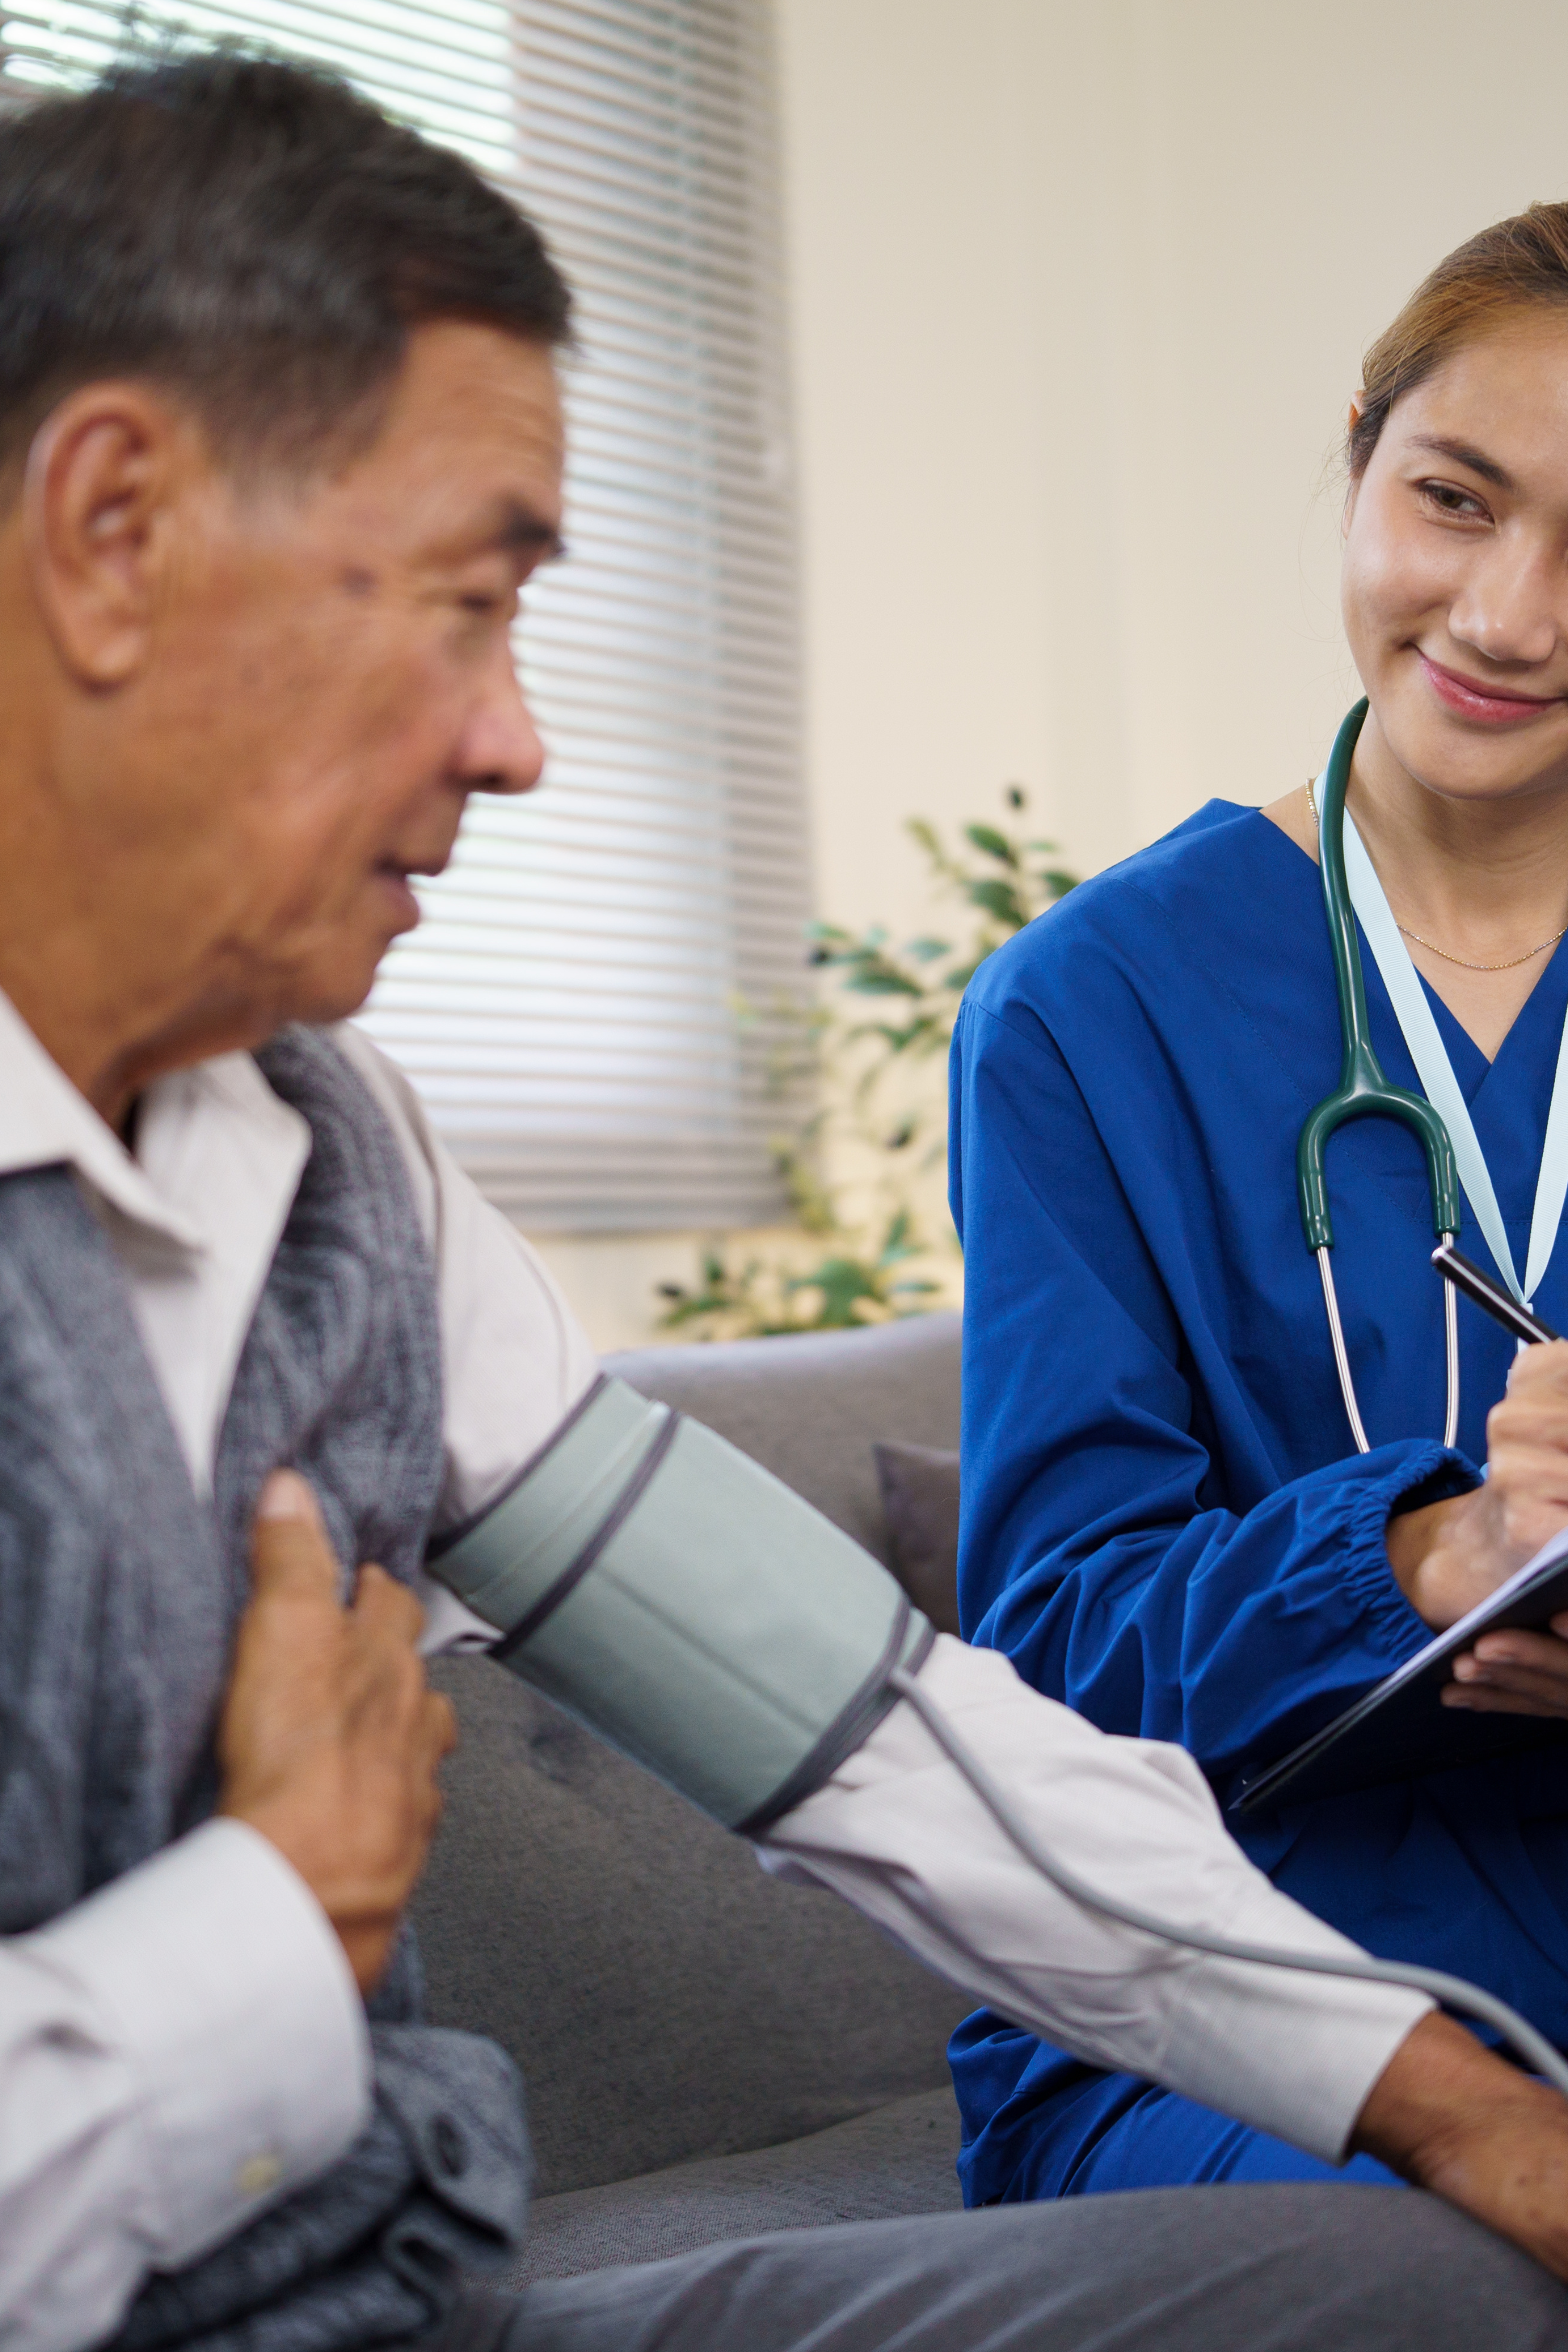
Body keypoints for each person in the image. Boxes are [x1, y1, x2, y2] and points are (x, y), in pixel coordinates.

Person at [3, 52, 1568, 2352]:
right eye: (465, 601)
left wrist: (1474, 2121)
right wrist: (270, 1929)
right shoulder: (1109, 1002)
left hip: (391, 2293)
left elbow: (875, 1734)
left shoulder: (341, 1165)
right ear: (113, 527)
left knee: (1414, 2292)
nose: (522, 739)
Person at [948, 200, 1568, 2212]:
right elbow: (1049, 1657)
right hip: (1243, 1971)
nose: (1509, 614)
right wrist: (1440, 1549)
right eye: (1456, 500)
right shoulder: (1090, 1008)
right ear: (1363, 457)